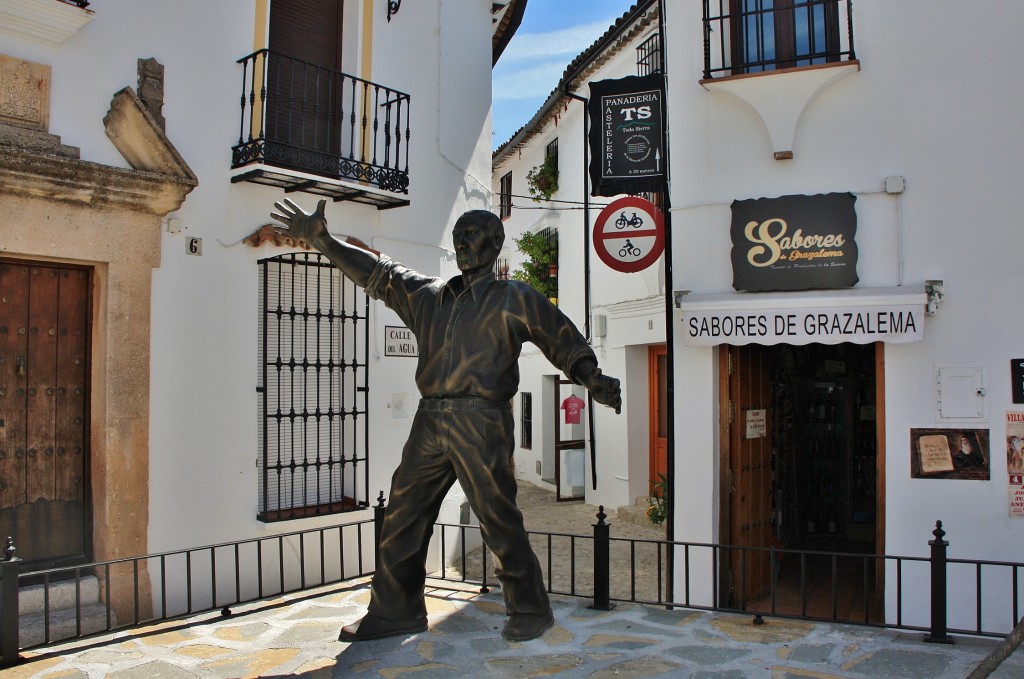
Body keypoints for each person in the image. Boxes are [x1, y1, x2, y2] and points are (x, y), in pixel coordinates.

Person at [270, 198, 622, 642]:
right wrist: (322, 240)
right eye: (458, 237)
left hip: (482, 419)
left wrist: (591, 376)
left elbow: (561, 337)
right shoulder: (430, 296)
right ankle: (395, 610)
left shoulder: (515, 298)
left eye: (472, 235)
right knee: (402, 511)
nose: (462, 244)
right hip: (430, 417)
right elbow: (380, 275)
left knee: (497, 516)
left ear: (496, 243)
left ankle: (530, 608)